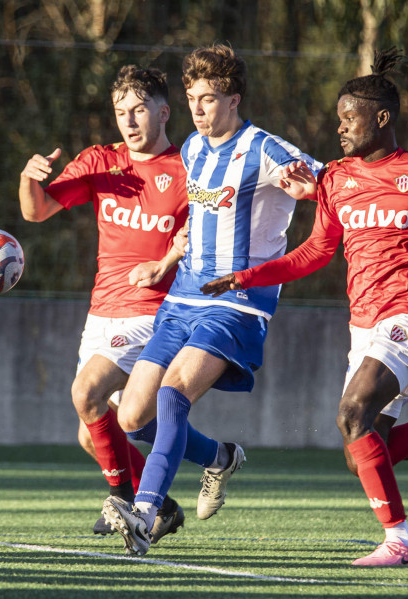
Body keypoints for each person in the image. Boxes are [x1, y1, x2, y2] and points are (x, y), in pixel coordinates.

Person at [201, 48, 408, 567]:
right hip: (363, 328)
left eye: (349, 118)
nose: (339, 128)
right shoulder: (336, 179)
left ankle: (401, 542)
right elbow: (315, 251)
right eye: (337, 119)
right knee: (362, 449)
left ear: (381, 119)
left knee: (350, 414)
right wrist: (247, 277)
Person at [100, 43, 322, 557]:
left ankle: (146, 510)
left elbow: (326, 181)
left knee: (173, 394)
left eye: (209, 99)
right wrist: (163, 264)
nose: (198, 109)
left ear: (234, 99)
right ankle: (218, 457)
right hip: (182, 298)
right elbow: (198, 222)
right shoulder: (194, 150)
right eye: (193, 98)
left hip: (237, 305)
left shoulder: (265, 149)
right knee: (132, 416)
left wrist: (308, 189)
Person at [18, 65, 190, 544]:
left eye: (139, 110)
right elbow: (36, 211)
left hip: (149, 311)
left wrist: (170, 258)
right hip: (101, 312)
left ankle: (127, 507)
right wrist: (30, 178)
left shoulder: (187, 168)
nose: (129, 121)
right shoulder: (100, 161)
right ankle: (166, 506)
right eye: (121, 112)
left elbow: (208, 230)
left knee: (85, 393)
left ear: (163, 112)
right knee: (89, 433)